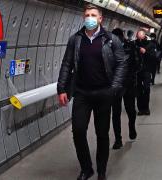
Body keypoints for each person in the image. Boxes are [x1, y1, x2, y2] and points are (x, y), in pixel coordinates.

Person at [57, 3, 127, 180]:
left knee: (102, 133)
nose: (90, 18)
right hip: (82, 93)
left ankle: (101, 170)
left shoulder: (111, 40)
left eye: (93, 15)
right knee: (78, 131)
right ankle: (86, 168)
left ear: (100, 18)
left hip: (104, 93)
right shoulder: (76, 39)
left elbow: (121, 63)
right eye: (87, 14)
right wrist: (61, 88)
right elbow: (67, 64)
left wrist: (114, 88)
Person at [112, 28, 138, 149]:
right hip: (122, 84)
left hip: (122, 84)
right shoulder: (109, 48)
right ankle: (123, 135)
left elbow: (137, 63)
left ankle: (122, 136)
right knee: (124, 111)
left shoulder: (110, 47)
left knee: (122, 111)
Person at [135, 30, 155, 116]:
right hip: (137, 71)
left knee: (146, 89)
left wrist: (145, 52)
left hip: (146, 70)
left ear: (144, 36)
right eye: (138, 36)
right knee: (138, 90)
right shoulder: (134, 44)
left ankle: (146, 108)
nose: (139, 38)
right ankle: (140, 109)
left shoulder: (150, 45)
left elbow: (153, 57)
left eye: (141, 36)